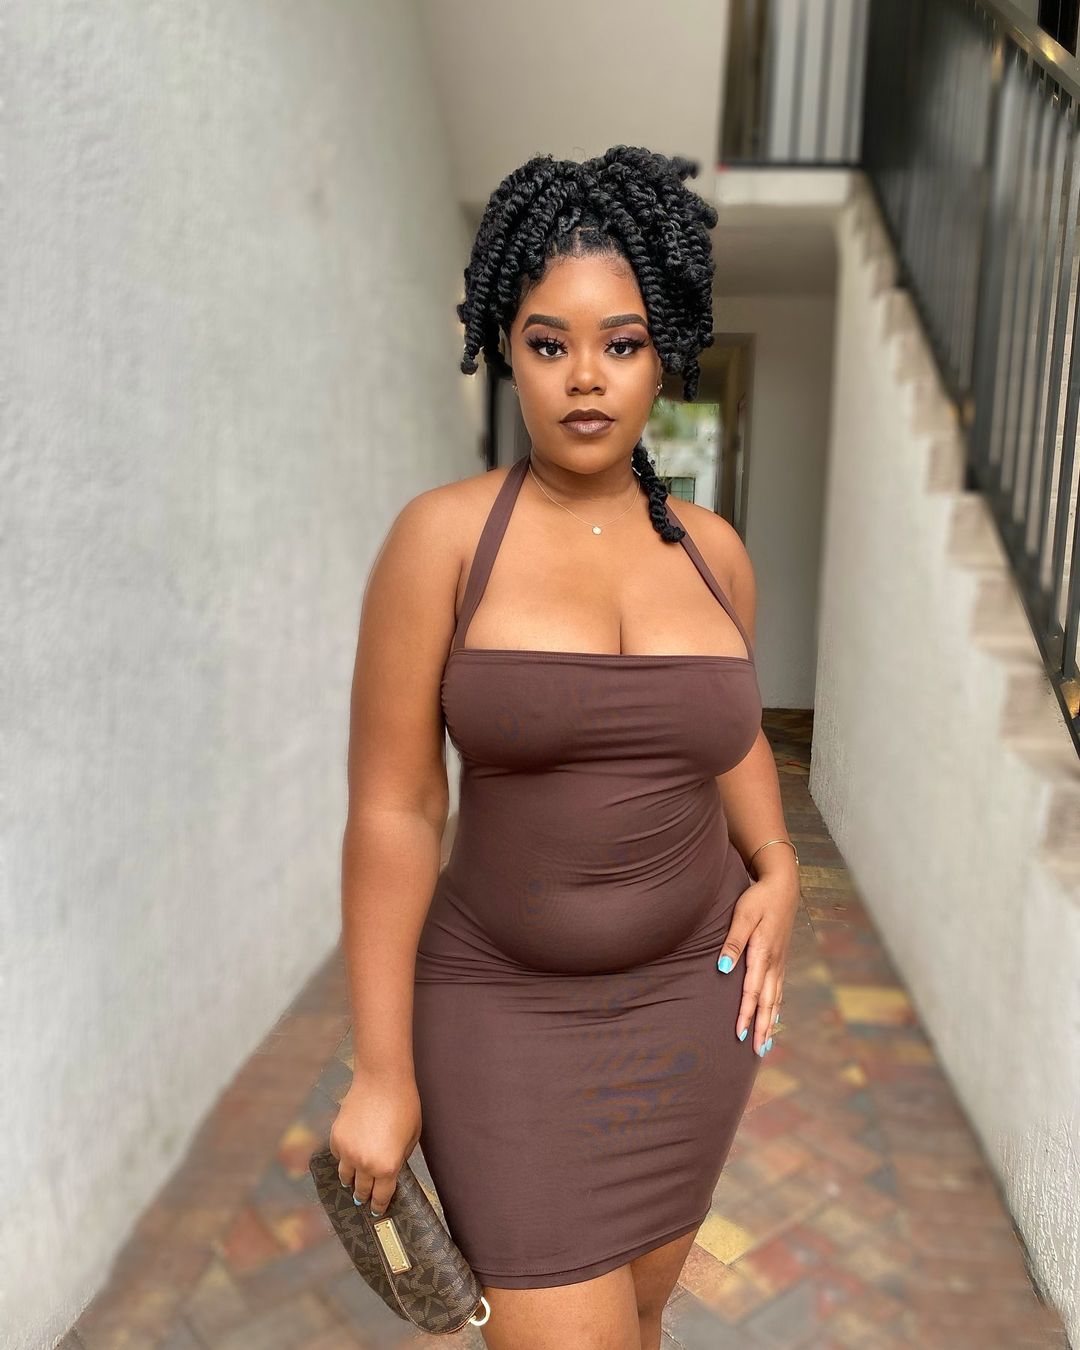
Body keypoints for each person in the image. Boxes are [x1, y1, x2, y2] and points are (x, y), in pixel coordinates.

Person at [330, 145, 801, 1350]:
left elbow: (725, 735)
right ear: (507, 347)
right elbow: (395, 808)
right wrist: (382, 1070)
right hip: (501, 1010)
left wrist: (779, 863)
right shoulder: (442, 542)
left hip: (691, 1010)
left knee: (637, 1321)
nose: (585, 378)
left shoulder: (714, 553)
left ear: (665, 351)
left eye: (621, 343)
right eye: (549, 344)